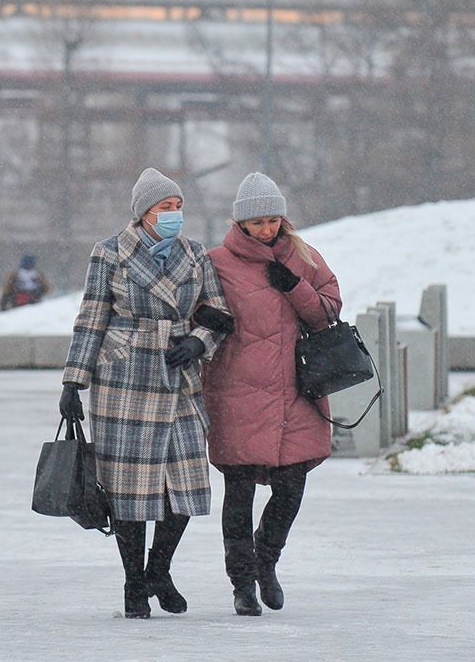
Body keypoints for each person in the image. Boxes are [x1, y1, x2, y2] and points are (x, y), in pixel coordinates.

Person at [58, 167, 234, 619]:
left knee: (186, 482)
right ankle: (133, 584)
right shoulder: (111, 252)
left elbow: (217, 309)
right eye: (165, 208)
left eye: (178, 207)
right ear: (143, 214)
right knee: (130, 491)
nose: (174, 215)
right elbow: (92, 316)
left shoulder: (195, 254)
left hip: (180, 378)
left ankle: (159, 568)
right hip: (125, 380)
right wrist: (73, 381)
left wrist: (200, 341)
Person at [202, 172, 342, 616]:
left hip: (296, 390)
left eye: (273, 220)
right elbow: (197, 313)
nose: (267, 230)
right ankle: (242, 583)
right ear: (239, 223)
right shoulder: (215, 263)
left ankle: (267, 561)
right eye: (257, 222)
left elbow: (329, 313)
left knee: (290, 488)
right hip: (236, 391)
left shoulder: (304, 256)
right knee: (238, 492)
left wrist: (294, 286)